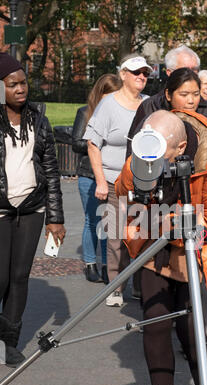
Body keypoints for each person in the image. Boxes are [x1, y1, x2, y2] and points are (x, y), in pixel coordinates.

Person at [115, 109, 207, 385]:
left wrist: (175, 229)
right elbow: (124, 200)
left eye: (159, 155)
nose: (148, 160)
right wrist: (138, 174)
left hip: (196, 249)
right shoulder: (144, 151)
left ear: (181, 147)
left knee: (194, 332)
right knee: (153, 324)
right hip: (155, 246)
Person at [0, 53, 66, 367]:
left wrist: (55, 218)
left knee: (19, 277)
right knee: (0, 277)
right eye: (12, 84)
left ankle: (9, 342)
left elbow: (51, 171)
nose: (20, 89)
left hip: (31, 209)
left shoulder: (38, 118)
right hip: (0, 210)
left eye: (23, 82)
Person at [83, 55, 152, 307]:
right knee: (115, 235)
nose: (141, 77)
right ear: (123, 74)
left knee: (143, 234)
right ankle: (115, 285)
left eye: (145, 73)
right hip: (114, 180)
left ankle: (140, 285)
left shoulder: (149, 103)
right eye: (136, 72)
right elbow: (93, 144)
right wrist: (101, 181)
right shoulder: (108, 104)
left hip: (144, 182)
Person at [126, 45, 207, 164]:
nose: (190, 74)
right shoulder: (150, 107)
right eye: (185, 70)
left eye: (195, 69)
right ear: (169, 73)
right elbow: (133, 155)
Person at [72, 74, 121, 284]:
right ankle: (91, 263)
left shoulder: (119, 113)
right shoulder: (85, 112)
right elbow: (76, 142)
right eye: (108, 95)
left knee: (108, 222)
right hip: (89, 174)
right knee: (92, 220)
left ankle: (105, 264)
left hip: (112, 175)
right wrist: (98, 142)